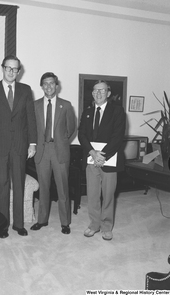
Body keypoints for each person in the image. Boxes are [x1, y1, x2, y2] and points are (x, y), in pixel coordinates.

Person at [0, 55, 37, 238]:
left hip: (20, 147)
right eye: (8, 68)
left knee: (19, 185)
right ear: (3, 68)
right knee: (2, 185)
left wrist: (32, 143)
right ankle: (3, 225)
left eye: (15, 69)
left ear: (19, 71)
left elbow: (30, 118)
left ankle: (19, 224)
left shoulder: (25, 90)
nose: (12, 72)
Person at [78, 80, 126, 241]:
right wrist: (92, 152)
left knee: (108, 195)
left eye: (102, 91)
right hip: (91, 160)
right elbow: (81, 135)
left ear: (108, 93)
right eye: (95, 91)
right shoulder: (87, 112)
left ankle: (107, 226)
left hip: (109, 160)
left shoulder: (117, 111)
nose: (98, 94)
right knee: (92, 195)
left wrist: (102, 155)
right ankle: (94, 225)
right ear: (92, 93)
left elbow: (117, 137)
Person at [30, 72, 76, 235]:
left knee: (63, 188)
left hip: (60, 151)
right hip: (42, 152)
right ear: (41, 86)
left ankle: (65, 222)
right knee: (43, 188)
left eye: (51, 83)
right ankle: (42, 220)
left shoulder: (66, 105)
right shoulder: (34, 105)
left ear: (57, 86)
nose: (48, 86)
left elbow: (72, 129)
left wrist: (62, 142)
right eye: (45, 83)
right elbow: (32, 129)